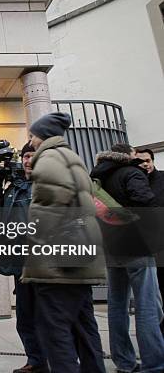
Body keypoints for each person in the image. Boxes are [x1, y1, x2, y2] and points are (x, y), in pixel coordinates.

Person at [22, 112, 107, 373]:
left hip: (57, 264)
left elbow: (47, 211)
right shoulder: (72, 157)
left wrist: (33, 244)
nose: (30, 140)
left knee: (55, 332)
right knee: (84, 327)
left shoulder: (48, 158)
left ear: (42, 135)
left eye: (32, 135)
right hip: (80, 256)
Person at [91, 144, 164, 372]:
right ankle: (154, 364)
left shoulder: (97, 177)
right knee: (147, 306)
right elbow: (146, 203)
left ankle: (124, 361)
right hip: (137, 246)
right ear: (128, 156)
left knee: (117, 306)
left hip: (112, 246)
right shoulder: (131, 173)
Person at [0, 142, 49, 373]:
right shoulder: (15, 187)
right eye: (24, 156)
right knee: (25, 317)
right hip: (20, 264)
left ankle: (55, 360)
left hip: (43, 264)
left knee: (48, 316)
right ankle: (36, 361)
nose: (27, 160)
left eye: (32, 155)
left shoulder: (46, 186)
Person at [135, 148, 164, 335]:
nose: (145, 164)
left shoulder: (161, 179)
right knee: (154, 293)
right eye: (141, 161)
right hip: (146, 242)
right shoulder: (135, 181)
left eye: (147, 160)